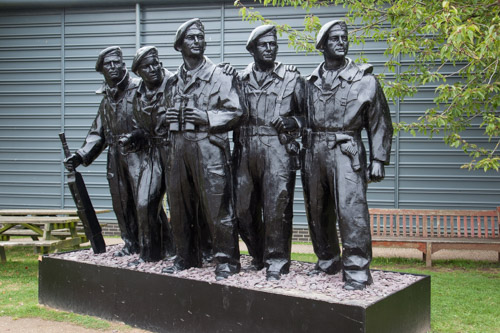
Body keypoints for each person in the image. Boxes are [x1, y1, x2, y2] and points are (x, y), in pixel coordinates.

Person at [301, 20, 393, 290]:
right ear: (322, 45)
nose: (341, 42)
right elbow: (302, 118)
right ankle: (327, 260)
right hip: (315, 150)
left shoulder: (365, 80)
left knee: (351, 211)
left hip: (346, 149)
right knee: (317, 210)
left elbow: (380, 122)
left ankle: (357, 269)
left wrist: (378, 159)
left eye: (344, 38)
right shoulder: (310, 82)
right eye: (335, 39)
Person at [161, 18, 242, 280]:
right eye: (191, 38)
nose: (197, 42)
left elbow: (236, 112)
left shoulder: (218, 76)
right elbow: (162, 115)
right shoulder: (172, 82)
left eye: (200, 37)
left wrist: (206, 117)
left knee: (218, 207)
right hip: (178, 149)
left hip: (209, 148)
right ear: (179, 45)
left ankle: (226, 262)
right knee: (180, 206)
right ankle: (185, 257)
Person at [233, 25, 305, 280]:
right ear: (252, 49)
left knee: (277, 208)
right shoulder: (239, 80)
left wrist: (294, 123)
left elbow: (310, 118)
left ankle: (277, 261)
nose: (270, 48)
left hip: (277, 149)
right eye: (264, 44)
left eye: (273, 44)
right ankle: (260, 254)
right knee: (242, 210)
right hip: (245, 148)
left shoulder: (292, 78)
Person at [63, 46, 141, 257]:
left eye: (117, 62)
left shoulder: (138, 89)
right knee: (121, 202)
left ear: (124, 64)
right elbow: (98, 133)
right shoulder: (106, 99)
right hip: (115, 157)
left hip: (139, 154)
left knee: (144, 202)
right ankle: (131, 244)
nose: (113, 66)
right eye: (108, 64)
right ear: (102, 70)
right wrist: (80, 156)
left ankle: (154, 244)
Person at [120, 46, 174, 264]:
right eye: (146, 66)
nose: (153, 68)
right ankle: (149, 254)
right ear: (138, 72)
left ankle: (186, 254)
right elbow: (145, 127)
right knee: (144, 203)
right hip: (153, 152)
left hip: (177, 149)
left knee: (182, 206)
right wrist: (133, 136)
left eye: (155, 62)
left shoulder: (175, 83)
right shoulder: (138, 93)